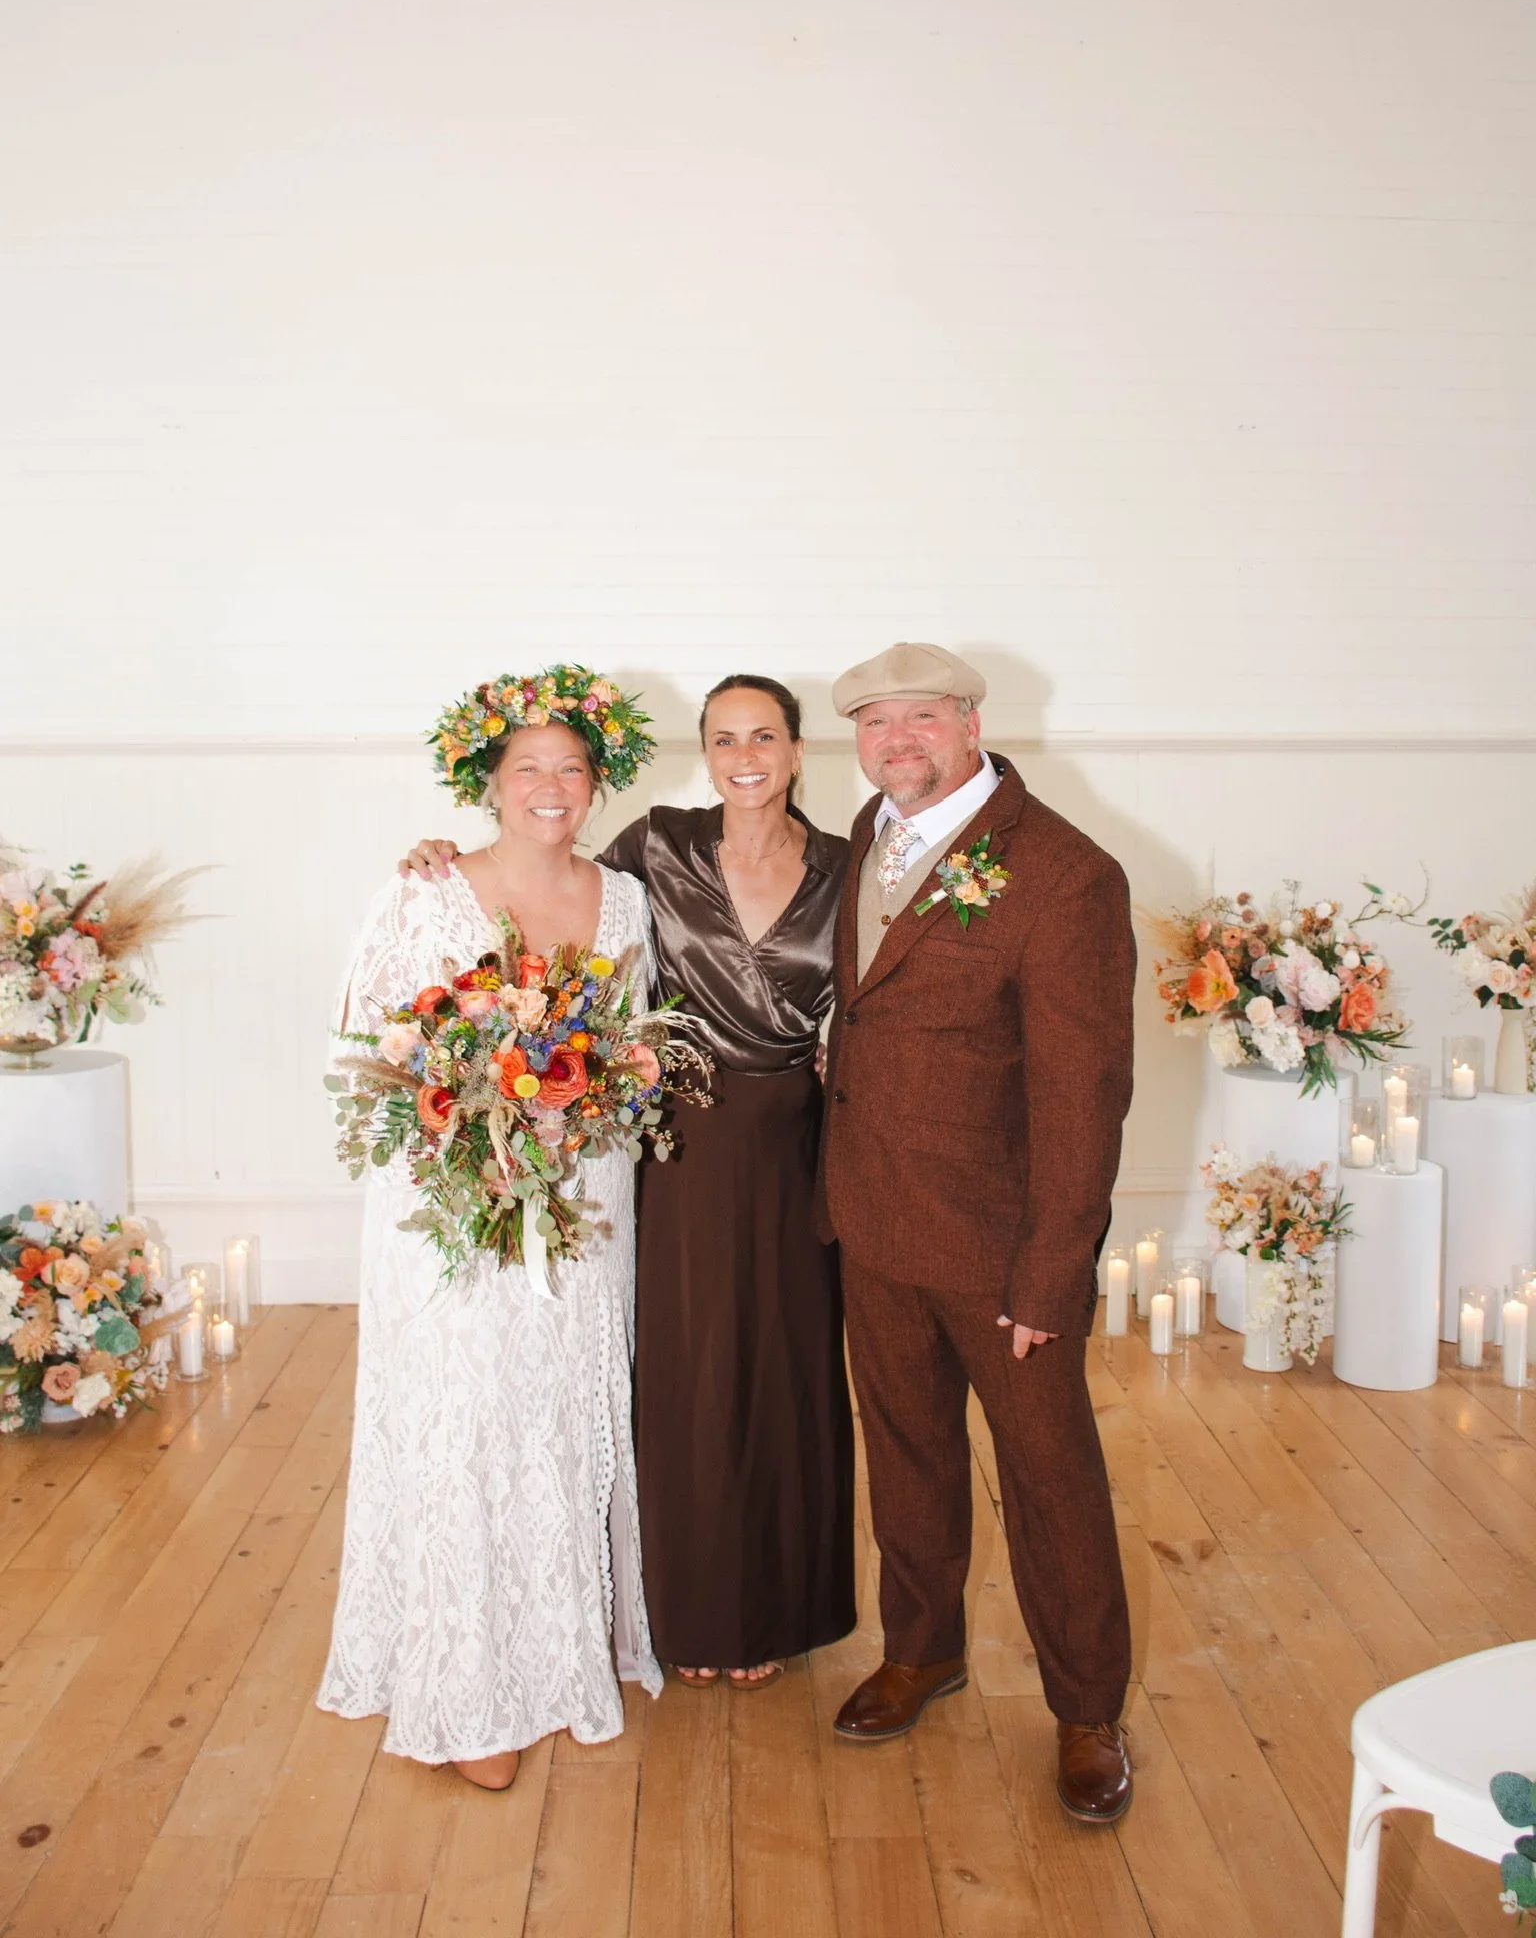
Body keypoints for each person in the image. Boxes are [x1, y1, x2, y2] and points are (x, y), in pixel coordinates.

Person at [404, 674, 856, 1690]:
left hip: (794, 1142)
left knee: (786, 1372)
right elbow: (541, 887)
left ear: (794, 750)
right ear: (705, 752)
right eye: (725, 738)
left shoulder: (843, 863)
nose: (745, 757)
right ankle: (687, 1614)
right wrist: (440, 857)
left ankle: (776, 1612)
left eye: (765, 737)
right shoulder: (658, 845)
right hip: (676, 1143)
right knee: (685, 1375)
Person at [318, 666, 662, 1792]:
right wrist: (482, 1128)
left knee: (557, 1417)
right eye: (530, 769)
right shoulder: (428, 892)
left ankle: (560, 1659)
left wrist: (594, 1099)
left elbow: (634, 1048)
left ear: (597, 780)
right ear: (490, 781)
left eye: (572, 767)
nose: (553, 787)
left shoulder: (624, 899)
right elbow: (370, 1054)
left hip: (584, 1198)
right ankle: (467, 1692)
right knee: (470, 1419)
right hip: (460, 1205)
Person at [817, 641, 1137, 1825]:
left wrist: (1054, 1271)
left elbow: (1081, 1092)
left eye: (922, 718)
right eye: (874, 722)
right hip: (874, 1219)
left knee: (1050, 1481)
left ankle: (1088, 1708)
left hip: (1006, 1253)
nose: (897, 741)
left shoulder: (1064, 873)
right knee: (904, 1455)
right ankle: (923, 1649)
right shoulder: (869, 831)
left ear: (971, 720)